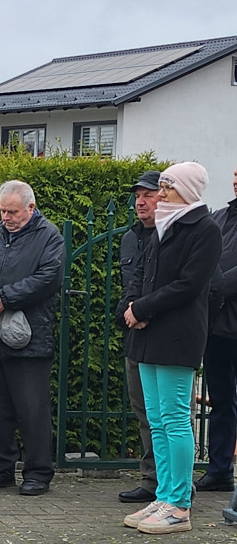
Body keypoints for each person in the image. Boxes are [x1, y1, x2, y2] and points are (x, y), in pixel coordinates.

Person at [122, 162, 222, 533]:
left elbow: (190, 285)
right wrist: (130, 308)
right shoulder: (161, 227)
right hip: (147, 334)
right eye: (160, 186)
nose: (159, 194)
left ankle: (179, 504)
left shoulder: (204, 229)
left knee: (176, 418)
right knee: (157, 419)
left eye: (167, 187)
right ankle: (163, 495)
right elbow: (141, 275)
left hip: (178, 334)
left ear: (188, 189)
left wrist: (143, 308)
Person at [0, 180, 65, 496]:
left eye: (13, 212)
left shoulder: (48, 236)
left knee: (31, 408)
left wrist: (5, 298)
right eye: (3, 211)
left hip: (30, 338)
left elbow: (48, 278)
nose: (6, 217)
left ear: (30, 208)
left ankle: (38, 472)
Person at [117, 171, 164, 503]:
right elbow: (127, 286)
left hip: (168, 340)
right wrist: (128, 314)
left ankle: (176, 481)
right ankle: (151, 479)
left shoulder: (177, 236)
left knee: (172, 415)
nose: (141, 202)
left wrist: (149, 312)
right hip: (136, 337)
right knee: (144, 411)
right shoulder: (130, 238)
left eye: (148, 195)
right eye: (137, 196)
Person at [195, 165, 237, 493]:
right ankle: (220, 469)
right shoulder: (220, 217)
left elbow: (220, 275)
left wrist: (216, 285)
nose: (235, 180)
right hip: (218, 327)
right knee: (221, 400)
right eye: (235, 174)